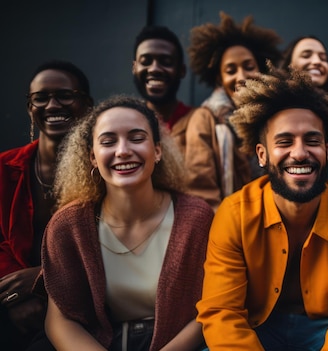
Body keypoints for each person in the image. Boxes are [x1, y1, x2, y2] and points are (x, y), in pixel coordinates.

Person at [196, 68, 328, 350]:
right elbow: (222, 314)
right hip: (257, 330)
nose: (299, 153)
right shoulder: (233, 214)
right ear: (262, 154)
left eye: (312, 140)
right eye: (284, 142)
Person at [37, 96, 214, 350]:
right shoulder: (69, 226)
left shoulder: (196, 218)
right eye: (108, 142)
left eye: (137, 137)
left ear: (158, 150)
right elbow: (60, 319)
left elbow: (209, 308)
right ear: (93, 158)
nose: (122, 150)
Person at [0, 60, 93, 350]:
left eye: (65, 95)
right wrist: (12, 300)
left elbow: (111, 250)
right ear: (30, 108)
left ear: (87, 105)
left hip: (79, 309)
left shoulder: (103, 173)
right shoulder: (4, 168)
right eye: (40, 98)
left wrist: (45, 281)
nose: (52, 105)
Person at [186, 11, 282, 210]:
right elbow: (202, 192)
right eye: (230, 70)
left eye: (249, 66)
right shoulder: (206, 119)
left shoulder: (277, 118)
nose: (241, 76)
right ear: (220, 79)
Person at [132, 25, 193, 153]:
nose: (154, 69)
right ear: (134, 68)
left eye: (166, 62)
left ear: (181, 70)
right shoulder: (127, 124)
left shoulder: (199, 121)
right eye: (145, 61)